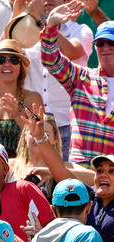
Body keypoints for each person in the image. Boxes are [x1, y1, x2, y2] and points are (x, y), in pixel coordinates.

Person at [41, 2, 114, 166]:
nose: (105, 48)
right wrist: (51, 25)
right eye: (100, 43)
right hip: (81, 171)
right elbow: (51, 60)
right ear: (95, 48)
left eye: (111, 43)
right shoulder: (82, 77)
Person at [21, 0, 93, 160]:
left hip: (71, 127)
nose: (48, 0)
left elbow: (71, 51)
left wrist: (43, 21)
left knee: (71, 184)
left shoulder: (81, 30)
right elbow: (0, 53)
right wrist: (19, 10)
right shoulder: (25, 30)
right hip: (36, 127)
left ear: (66, 1)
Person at [9, 112, 94, 202]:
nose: (37, 138)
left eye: (45, 135)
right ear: (25, 136)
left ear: (55, 139)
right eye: (33, 133)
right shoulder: (11, 165)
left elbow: (94, 178)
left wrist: (54, 172)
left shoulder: (65, 167)